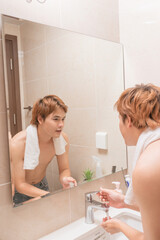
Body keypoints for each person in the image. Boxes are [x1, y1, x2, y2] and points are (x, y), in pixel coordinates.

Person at [98, 84, 160, 240]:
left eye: (119, 118)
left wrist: (120, 226)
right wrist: (124, 203)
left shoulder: (147, 168)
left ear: (129, 120)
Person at [10, 95, 77, 205]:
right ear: (40, 119)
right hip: (20, 192)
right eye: (56, 119)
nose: (61, 124)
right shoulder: (19, 143)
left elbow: (64, 169)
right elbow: (20, 184)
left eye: (63, 119)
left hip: (42, 186)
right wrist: (48, 195)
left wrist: (65, 178)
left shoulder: (61, 139)